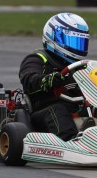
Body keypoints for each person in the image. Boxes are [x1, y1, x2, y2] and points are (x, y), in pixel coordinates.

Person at [19, 13, 90, 141]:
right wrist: (50, 79)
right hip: (42, 111)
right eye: (73, 41)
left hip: (74, 107)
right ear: (55, 37)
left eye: (80, 42)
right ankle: (69, 142)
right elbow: (29, 80)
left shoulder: (80, 65)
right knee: (58, 110)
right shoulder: (37, 59)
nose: (78, 47)